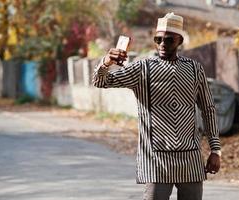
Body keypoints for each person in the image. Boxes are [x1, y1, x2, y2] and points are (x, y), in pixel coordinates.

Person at [92, 12, 221, 200]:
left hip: (190, 159)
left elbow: (208, 110)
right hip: (155, 161)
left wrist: (215, 150)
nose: (162, 44)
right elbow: (100, 82)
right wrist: (106, 62)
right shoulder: (141, 69)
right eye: (158, 39)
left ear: (180, 41)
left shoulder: (194, 69)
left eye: (168, 40)